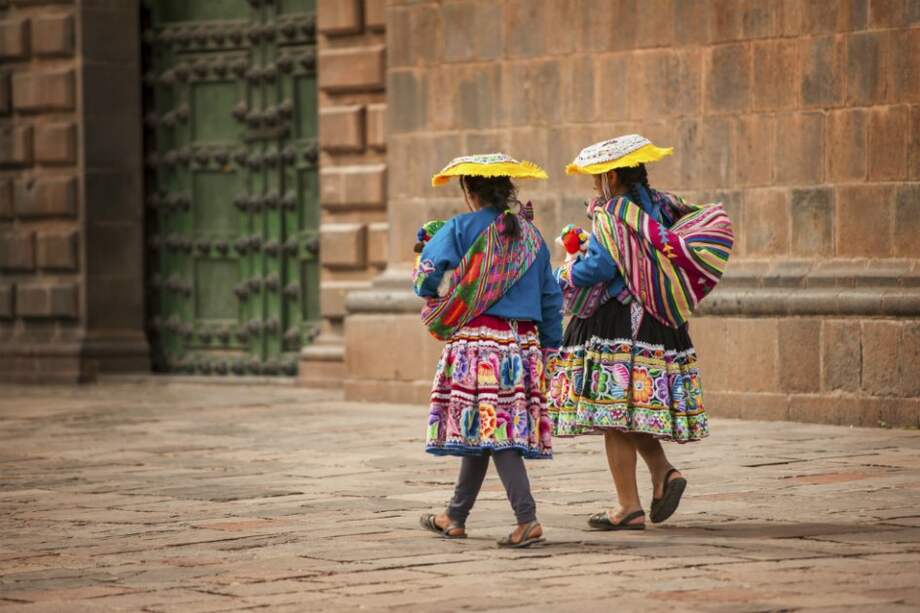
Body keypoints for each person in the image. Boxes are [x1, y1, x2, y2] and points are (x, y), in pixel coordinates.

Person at [547, 135, 734, 530]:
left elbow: (600, 267)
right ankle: (664, 473)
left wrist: (565, 270)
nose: (595, 186)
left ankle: (627, 505)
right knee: (628, 411)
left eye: (598, 178)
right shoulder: (661, 205)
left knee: (613, 414)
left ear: (612, 176)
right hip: (657, 321)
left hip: (619, 321)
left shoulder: (613, 214)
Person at [414, 153, 563, 548]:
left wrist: (435, 292)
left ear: (469, 190)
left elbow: (426, 276)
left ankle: (527, 518)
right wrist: (549, 348)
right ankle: (455, 514)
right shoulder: (531, 236)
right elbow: (551, 297)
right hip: (523, 346)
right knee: (486, 428)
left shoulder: (461, 227)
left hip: (479, 345)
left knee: (496, 430)